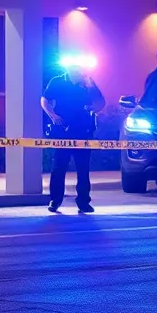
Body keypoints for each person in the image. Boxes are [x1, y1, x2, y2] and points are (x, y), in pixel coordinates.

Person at [41, 61, 105, 213]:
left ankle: (83, 202)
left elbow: (101, 102)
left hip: (83, 131)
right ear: (68, 69)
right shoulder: (57, 81)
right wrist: (53, 115)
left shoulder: (88, 82)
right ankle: (55, 200)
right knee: (59, 167)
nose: (76, 71)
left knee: (83, 168)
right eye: (73, 69)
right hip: (63, 130)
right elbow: (44, 100)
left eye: (78, 69)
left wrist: (93, 108)